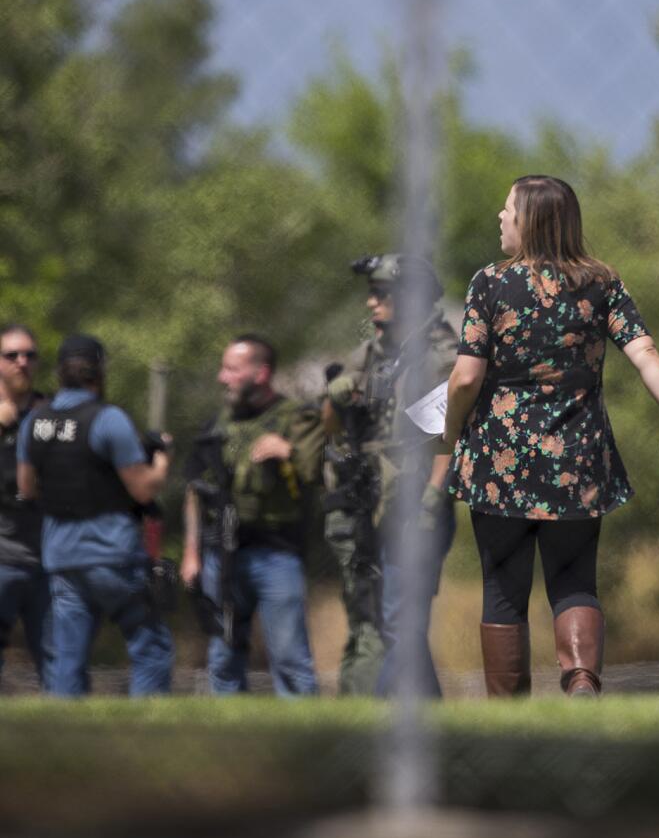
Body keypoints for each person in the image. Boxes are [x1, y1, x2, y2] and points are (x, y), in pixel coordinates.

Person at [444, 175, 659, 698]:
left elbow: (466, 376)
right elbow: (644, 352)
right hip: (577, 461)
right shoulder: (600, 282)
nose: (500, 216)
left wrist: (449, 431)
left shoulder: (491, 282)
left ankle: (509, 708)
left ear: (529, 219)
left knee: (504, 590)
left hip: (500, 464)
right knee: (575, 579)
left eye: (508, 208)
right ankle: (581, 678)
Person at [325, 254, 459, 698]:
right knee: (390, 624)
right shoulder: (374, 352)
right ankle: (428, 716)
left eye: (381, 295)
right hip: (371, 505)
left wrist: (430, 502)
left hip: (414, 506)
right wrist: (337, 396)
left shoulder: (440, 356)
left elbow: (451, 437)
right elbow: (330, 424)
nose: (371, 304)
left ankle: (380, 714)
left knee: (401, 619)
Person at [16, 334, 173, 697]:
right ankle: (149, 734)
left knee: (67, 658)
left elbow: (27, 488)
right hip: (111, 553)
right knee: (150, 644)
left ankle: (63, 739)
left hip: (61, 556)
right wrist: (163, 458)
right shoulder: (108, 419)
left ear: (59, 373)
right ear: (99, 372)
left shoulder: (35, 422)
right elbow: (144, 489)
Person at [182, 335, 323, 697]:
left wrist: (287, 451)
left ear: (261, 373)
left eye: (232, 368)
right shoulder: (217, 425)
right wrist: (191, 553)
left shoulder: (296, 418)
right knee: (223, 655)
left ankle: (304, 738)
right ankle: (228, 740)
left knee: (290, 658)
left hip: (277, 553)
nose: (222, 377)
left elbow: (319, 473)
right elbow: (195, 490)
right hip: (222, 555)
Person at [0, 323, 50, 690]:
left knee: (57, 659)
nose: (22, 362)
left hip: (46, 559)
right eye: (12, 355)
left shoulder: (50, 415)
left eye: (30, 355)